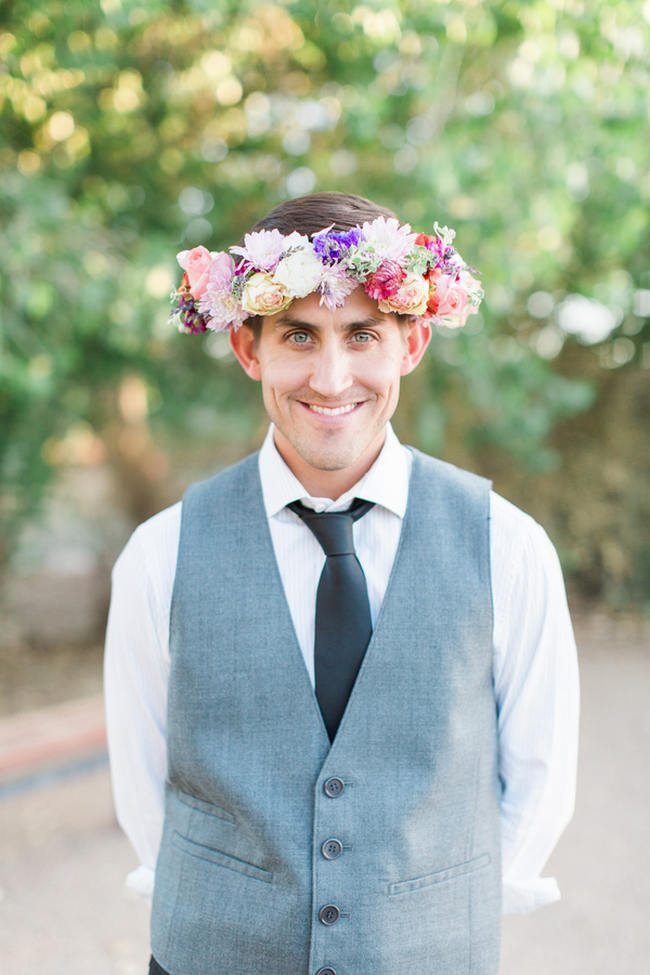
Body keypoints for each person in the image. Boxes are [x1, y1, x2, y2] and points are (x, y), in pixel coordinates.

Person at [104, 192, 579, 975]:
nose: (331, 378)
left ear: (412, 343)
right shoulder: (162, 555)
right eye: (299, 335)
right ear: (249, 349)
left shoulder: (509, 547)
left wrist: (427, 920)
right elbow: (144, 784)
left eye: (362, 334)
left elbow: (539, 774)